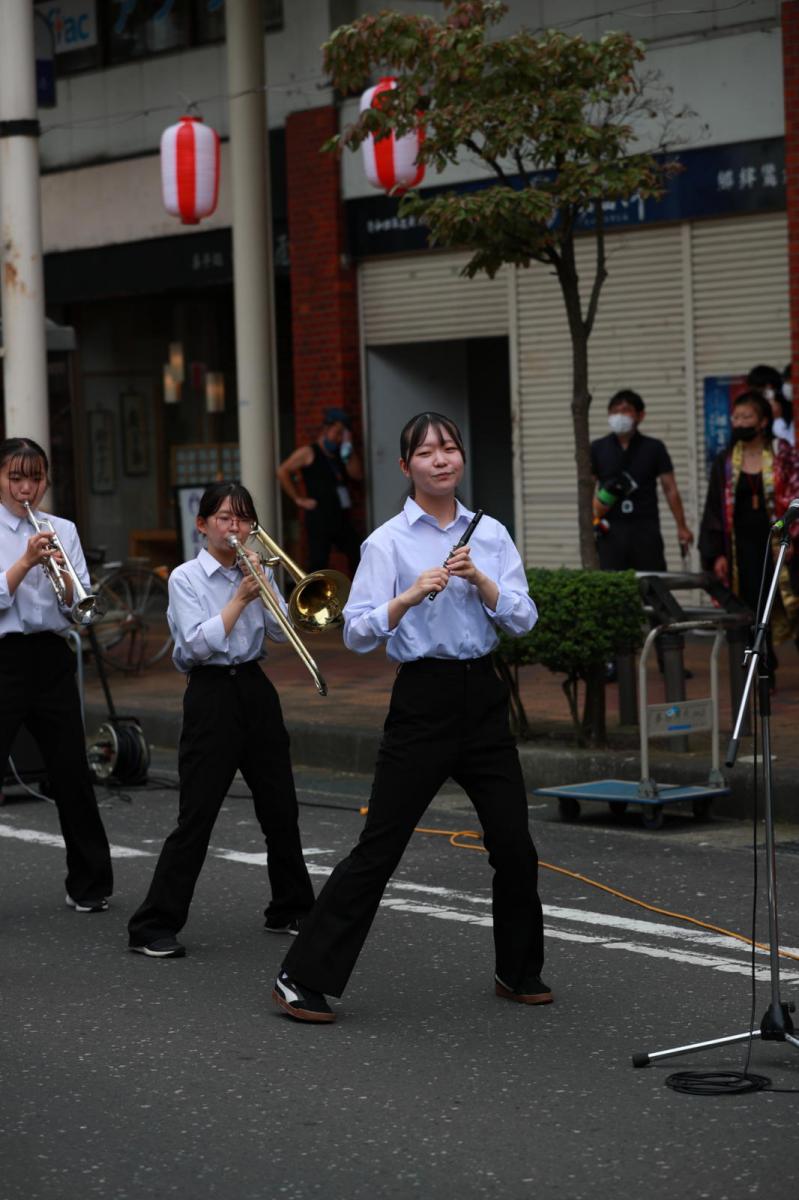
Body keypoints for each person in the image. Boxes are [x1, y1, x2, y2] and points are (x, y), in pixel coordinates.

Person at [272, 412, 549, 1023]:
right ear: (406, 467)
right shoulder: (387, 542)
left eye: (450, 448)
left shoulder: (491, 534)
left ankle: (518, 969)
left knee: (514, 842)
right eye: (427, 453)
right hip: (422, 700)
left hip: (483, 697)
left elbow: (524, 618)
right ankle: (301, 978)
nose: (441, 459)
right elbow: (357, 633)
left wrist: (481, 581)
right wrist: (406, 596)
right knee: (380, 847)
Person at [127, 482, 315, 958]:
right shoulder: (186, 578)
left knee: (280, 805)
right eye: (226, 518)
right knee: (197, 815)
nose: (237, 528)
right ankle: (152, 925)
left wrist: (267, 585)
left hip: (254, 687)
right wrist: (238, 600)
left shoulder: (256, 568)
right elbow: (191, 647)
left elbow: (279, 632)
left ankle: (291, 906)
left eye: (244, 519)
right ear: (202, 524)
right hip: (210, 694)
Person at [0, 436, 113, 913]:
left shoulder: (61, 529)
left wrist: (64, 578)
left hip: (50, 657)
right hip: (3, 659)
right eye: (16, 477)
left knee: (70, 771)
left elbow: (80, 606)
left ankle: (90, 884)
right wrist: (26, 561)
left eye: (36, 477)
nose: (27, 488)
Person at [698, 390, 799, 680]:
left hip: (780, 545)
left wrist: (789, 537)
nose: (740, 422)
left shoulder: (783, 453)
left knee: (791, 603)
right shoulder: (726, 461)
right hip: (741, 549)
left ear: (763, 421)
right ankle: (764, 672)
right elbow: (714, 508)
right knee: (752, 611)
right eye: (736, 417)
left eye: (747, 417)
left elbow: (795, 495)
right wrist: (716, 552)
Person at [591, 389, 693, 570]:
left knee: (652, 584)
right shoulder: (597, 448)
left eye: (625, 410)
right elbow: (587, 490)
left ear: (640, 415)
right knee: (613, 585)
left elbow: (670, 489)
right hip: (610, 530)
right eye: (614, 411)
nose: (619, 416)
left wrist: (681, 526)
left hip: (646, 528)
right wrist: (593, 516)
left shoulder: (654, 447)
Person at [277, 408, 363, 576]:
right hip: (319, 515)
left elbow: (357, 475)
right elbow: (282, 471)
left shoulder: (342, 453)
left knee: (356, 552)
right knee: (318, 561)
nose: (338, 438)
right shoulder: (309, 452)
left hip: (340, 514)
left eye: (342, 434)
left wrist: (348, 448)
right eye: (337, 433)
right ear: (326, 429)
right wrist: (298, 499)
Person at [747, 363, 794, 447]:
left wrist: (777, 419)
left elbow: (789, 442)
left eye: (759, 389)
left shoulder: (788, 407)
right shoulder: (755, 409)